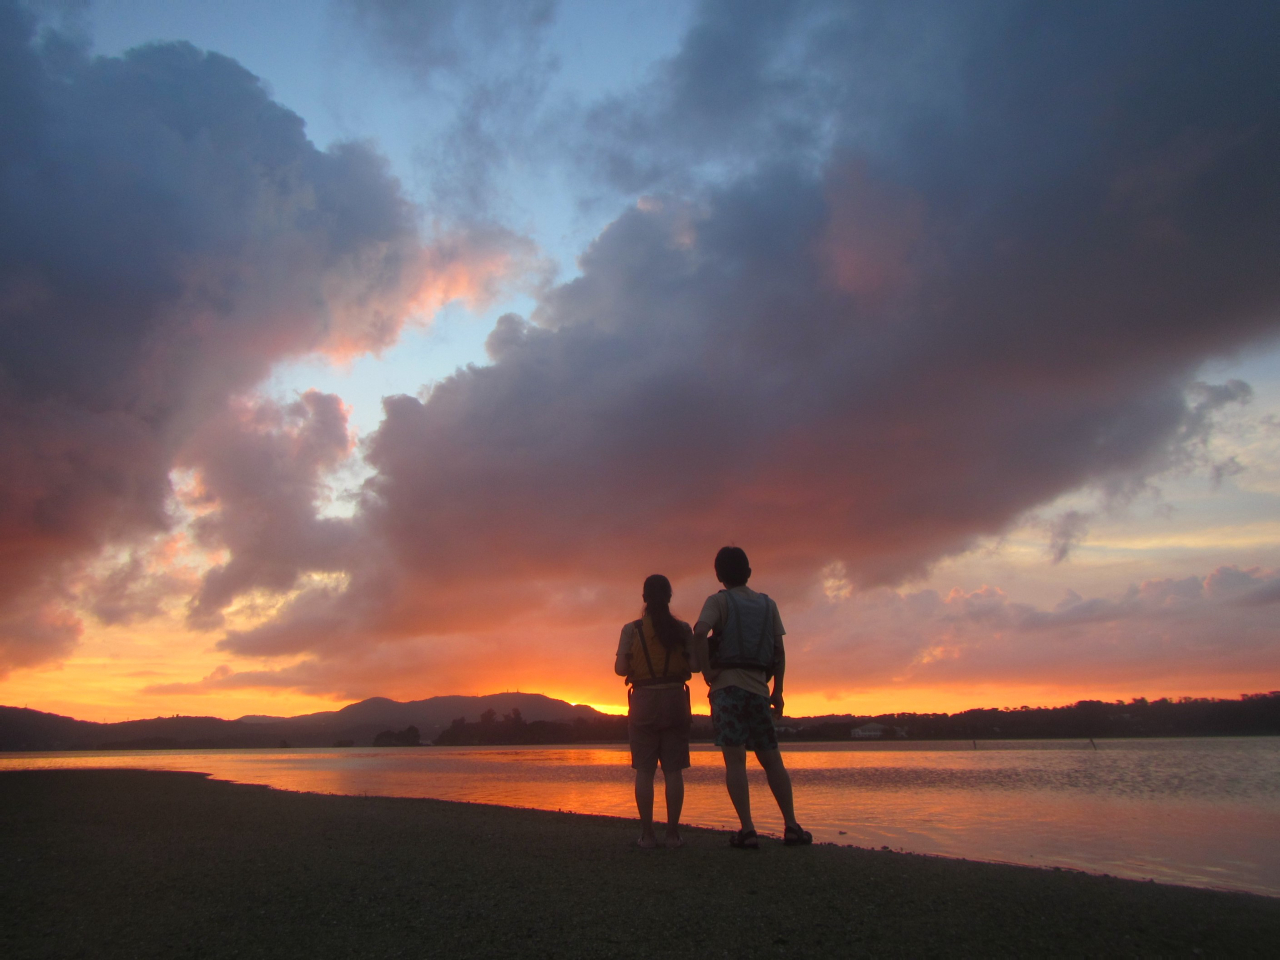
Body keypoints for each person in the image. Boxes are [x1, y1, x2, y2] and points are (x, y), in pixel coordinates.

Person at [693, 546, 812, 848]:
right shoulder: (768, 605)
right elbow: (779, 651)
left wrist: (707, 671)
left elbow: (700, 632)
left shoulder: (718, 601)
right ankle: (792, 826)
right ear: (748, 572)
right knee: (772, 759)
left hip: (727, 689)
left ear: (719, 575)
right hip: (759, 690)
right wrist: (778, 691)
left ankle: (748, 830)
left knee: (735, 762)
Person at [614, 574, 697, 848]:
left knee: (645, 771)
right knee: (673, 771)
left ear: (644, 598)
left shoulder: (631, 630)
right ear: (669, 597)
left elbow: (620, 669)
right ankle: (672, 835)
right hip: (675, 699)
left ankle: (648, 835)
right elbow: (695, 666)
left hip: (643, 701)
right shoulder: (683, 629)